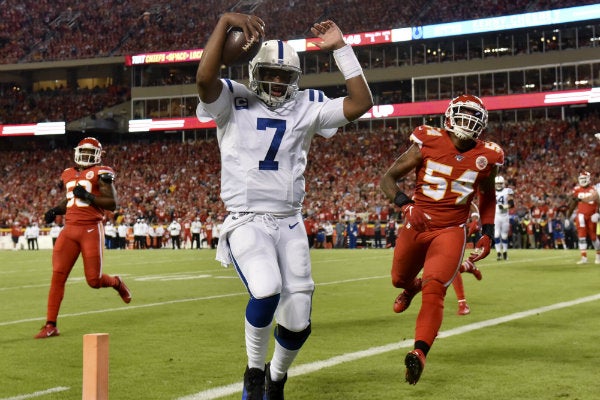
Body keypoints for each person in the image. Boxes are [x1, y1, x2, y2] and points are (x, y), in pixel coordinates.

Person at [196, 12, 372, 400]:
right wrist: (225, 22)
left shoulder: (307, 104)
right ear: (254, 72)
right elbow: (204, 80)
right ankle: (254, 372)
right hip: (246, 219)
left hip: (290, 222)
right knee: (266, 289)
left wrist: (341, 49)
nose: (276, 83)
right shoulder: (232, 98)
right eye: (270, 74)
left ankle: (276, 379)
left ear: (296, 80)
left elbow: (361, 102)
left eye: (284, 76)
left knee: (298, 321)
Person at [380, 94, 503, 385]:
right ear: (449, 117)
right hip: (418, 222)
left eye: (473, 119)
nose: (467, 124)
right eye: (462, 116)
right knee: (398, 278)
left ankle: (419, 352)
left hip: (452, 229)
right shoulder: (428, 139)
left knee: (436, 289)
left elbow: (487, 196)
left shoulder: (489, 156)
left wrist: (487, 232)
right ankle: (411, 288)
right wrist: (405, 204)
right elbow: (387, 179)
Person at [35, 137, 132, 339]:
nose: (87, 156)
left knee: (94, 281)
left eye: (91, 153)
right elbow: (71, 199)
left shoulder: (102, 172)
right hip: (69, 230)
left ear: (98, 155)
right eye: (84, 152)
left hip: (90, 229)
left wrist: (89, 197)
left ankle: (117, 283)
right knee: (57, 276)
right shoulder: (68, 173)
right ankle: (50, 325)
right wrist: (55, 210)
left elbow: (111, 203)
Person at [567, 171, 600, 264]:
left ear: (589, 179)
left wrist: (598, 214)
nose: (582, 181)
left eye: (584, 179)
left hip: (592, 215)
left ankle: (598, 256)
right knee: (581, 236)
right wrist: (567, 217)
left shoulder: (594, 189)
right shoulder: (576, 190)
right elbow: (572, 204)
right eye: (581, 179)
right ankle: (584, 258)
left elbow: (599, 202)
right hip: (581, 215)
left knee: (593, 237)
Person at [494, 176, 514, 260]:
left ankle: (505, 252)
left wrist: (504, 206)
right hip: (496, 216)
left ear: (503, 183)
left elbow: (512, 204)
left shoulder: (507, 191)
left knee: (504, 236)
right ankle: (498, 253)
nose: (498, 185)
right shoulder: (492, 192)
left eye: (500, 183)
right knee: (496, 234)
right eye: (497, 183)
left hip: (505, 216)